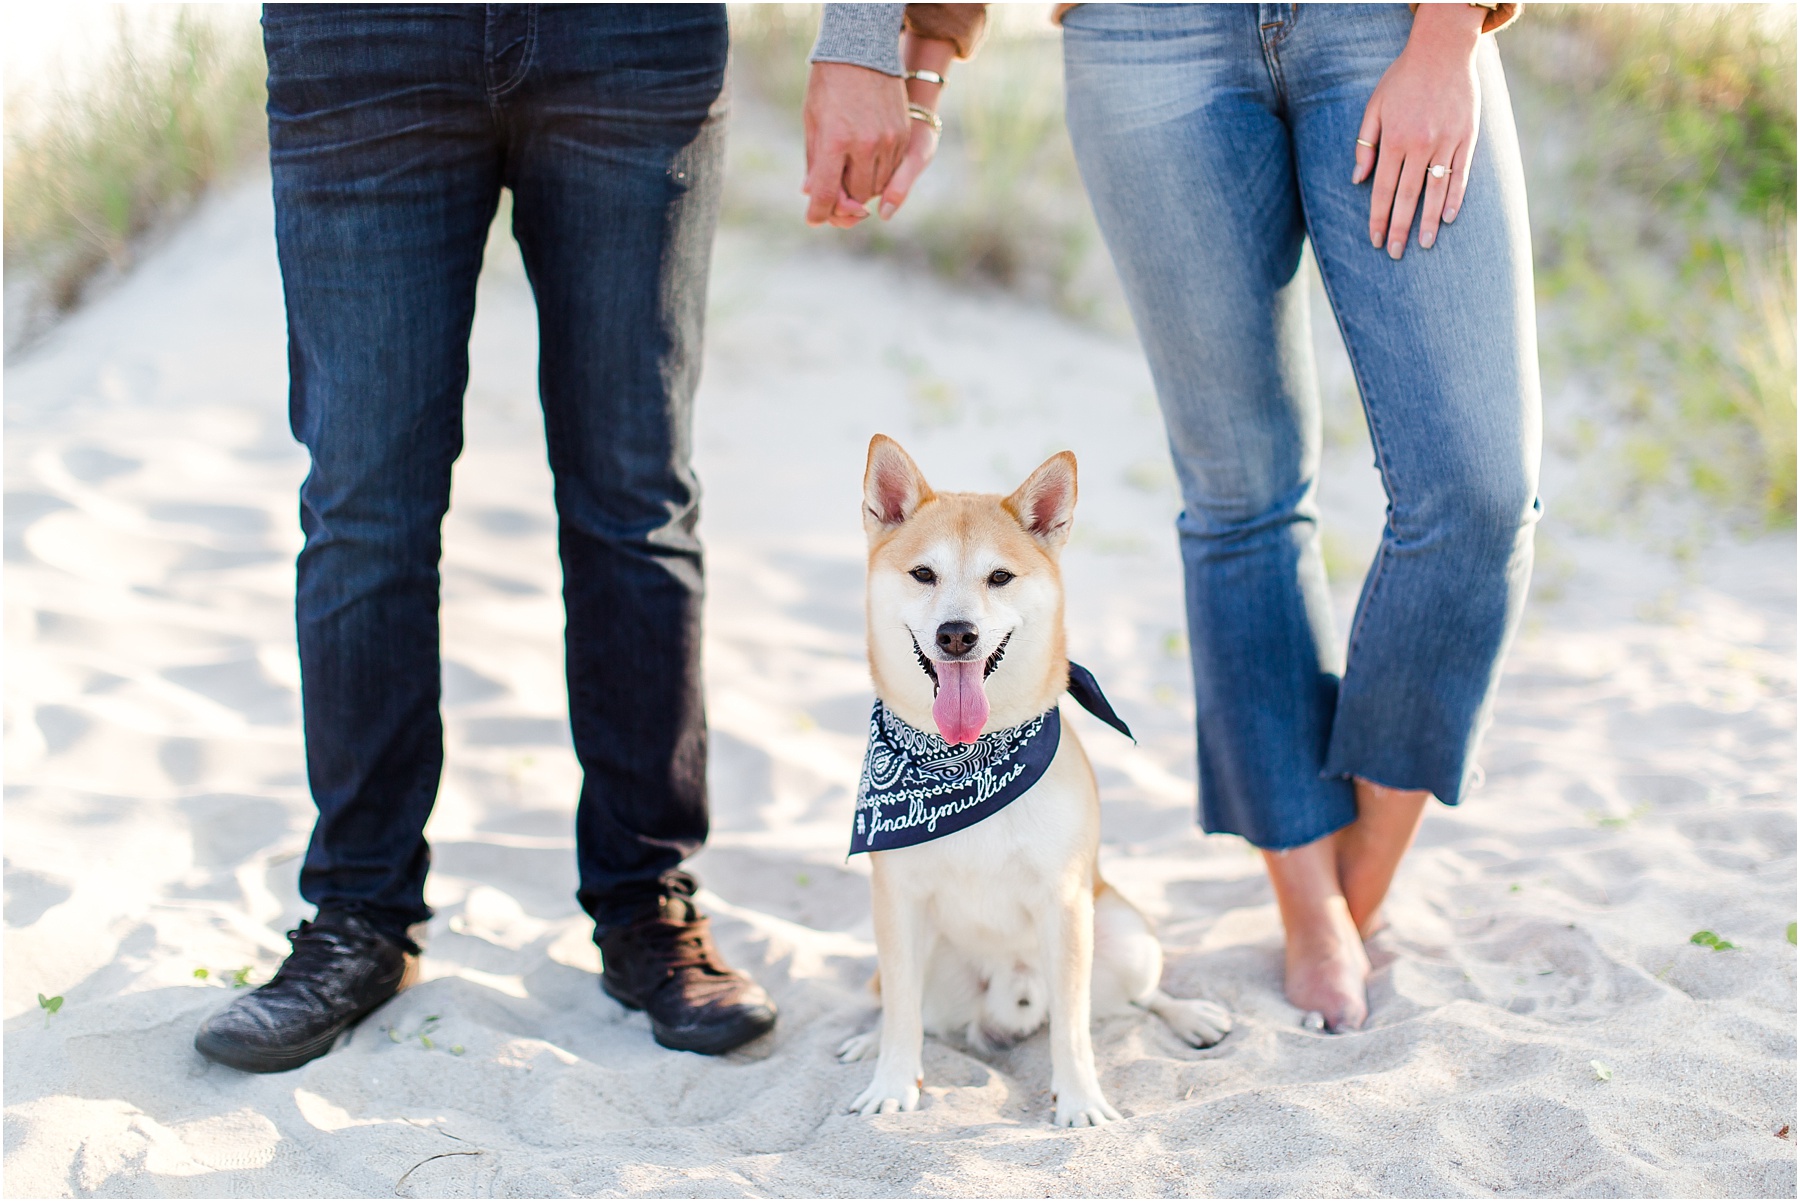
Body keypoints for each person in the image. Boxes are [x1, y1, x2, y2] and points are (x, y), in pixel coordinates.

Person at [195, 2, 969, 1074]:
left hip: (631, 36)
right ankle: (356, 916)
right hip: (363, 38)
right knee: (363, 508)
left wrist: (864, 36)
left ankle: (647, 897)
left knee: (634, 499)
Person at [806, 1, 1539, 1033]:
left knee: (1479, 489)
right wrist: (921, 44)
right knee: (1242, 493)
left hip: (1387, 21)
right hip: (1142, 35)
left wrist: (1451, 30)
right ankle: (1307, 898)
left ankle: (1359, 874)